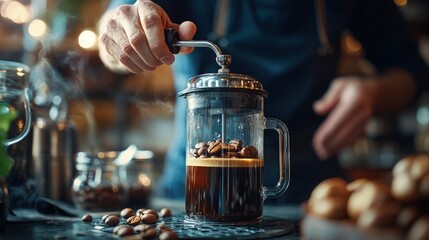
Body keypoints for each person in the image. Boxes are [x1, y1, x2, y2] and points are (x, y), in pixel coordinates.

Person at [97, 0, 429, 204]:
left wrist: (372, 94)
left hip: (311, 190)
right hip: (194, 191)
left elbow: (412, 72)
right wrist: (120, 35)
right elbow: (116, 27)